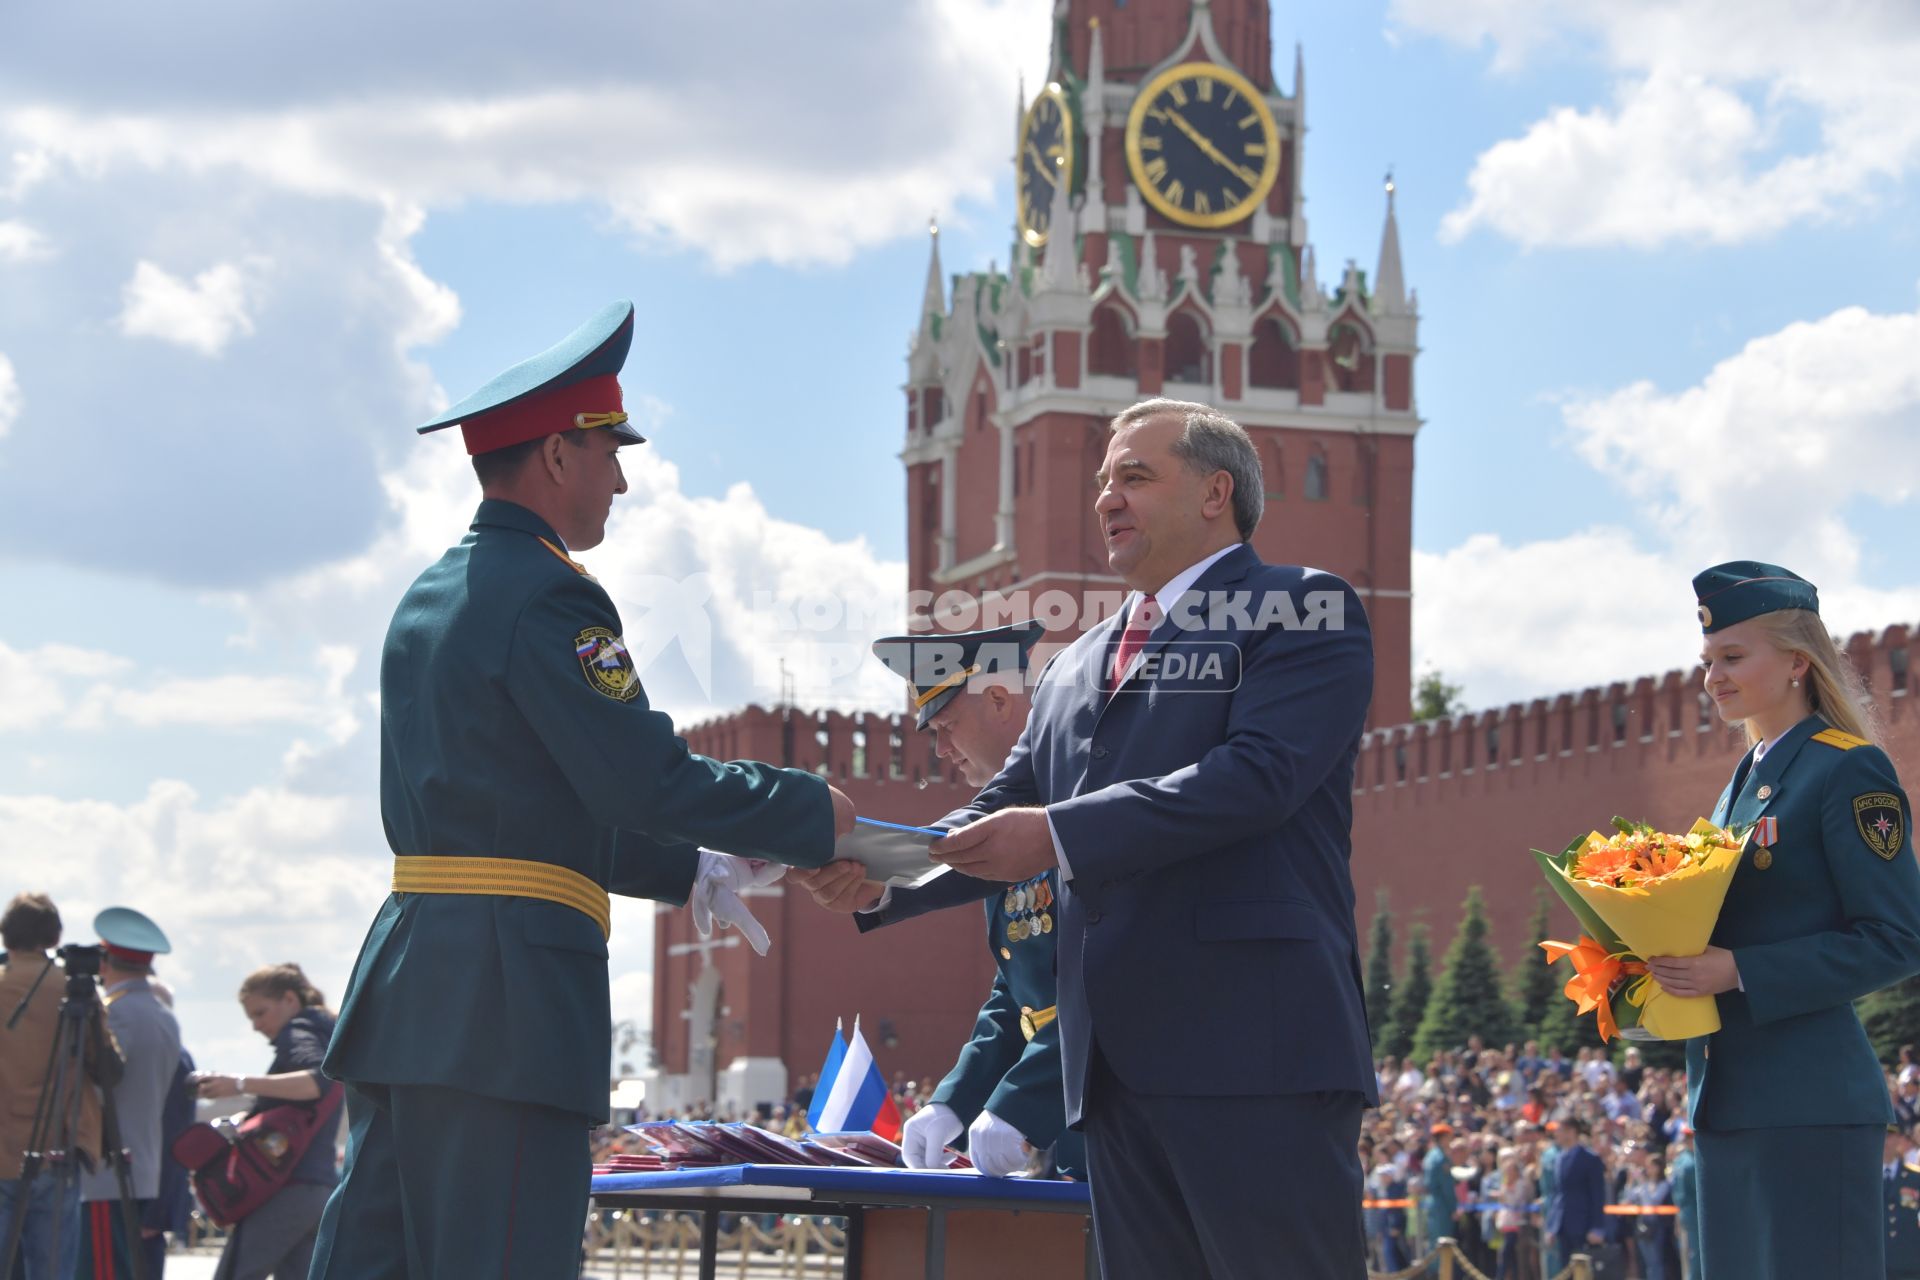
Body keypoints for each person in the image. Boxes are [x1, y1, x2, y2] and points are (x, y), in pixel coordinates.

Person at [309, 300, 855, 1278]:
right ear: (558, 456)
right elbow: (638, 775)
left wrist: (688, 865)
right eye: (610, 450)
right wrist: (811, 811)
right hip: (507, 1010)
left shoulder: (433, 593)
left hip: (410, 995)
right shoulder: (553, 592)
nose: (624, 478)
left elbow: (515, 802)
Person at [919, 398, 1377, 1278]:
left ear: (1216, 492)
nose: (1105, 499)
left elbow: (1255, 780)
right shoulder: (1076, 664)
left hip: (1255, 1058)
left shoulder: (1302, 608)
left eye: (1134, 476)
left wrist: (1054, 835)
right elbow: (1004, 802)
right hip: (1114, 1077)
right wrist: (869, 864)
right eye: (1102, 481)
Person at [1647, 561, 1920, 1279]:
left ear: (1799, 661)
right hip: (1730, 1099)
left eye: (1734, 657)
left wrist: (1737, 969)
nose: (1714, 677)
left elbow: (1897, 938)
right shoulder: (1741, 783)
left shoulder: (1847, 770)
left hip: (1808, 1103)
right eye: (1707, 661)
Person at [790, 620, 1087, 1179]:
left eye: (947, 725)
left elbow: (1107, 974)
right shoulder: (996, 826)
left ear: (999, 698)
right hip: (1061, 1139)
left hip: (1118, 1125)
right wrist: (953, 1099)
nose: (942, 750)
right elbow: (1017, 994)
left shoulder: (1078, 804)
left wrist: (1021, 1102)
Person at [192, 964, 339, 1280]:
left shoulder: (298, 1032)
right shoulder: (328, 1031)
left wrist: (240, 1084)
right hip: (318, 1187)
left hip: (287, 1186)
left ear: (289, 999)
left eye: (261, 1013)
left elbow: (316, 1082)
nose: (257, 1026)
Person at [0, 893, 106, 1279]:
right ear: (54, 936)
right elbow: (106, 1063)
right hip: (56, 1144)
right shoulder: (71, 988)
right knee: (53, 1269)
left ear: (6, 936)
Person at [80, 907, 182, 1280]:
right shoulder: (163, 1014)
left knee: (106, 1269)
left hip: (105, 1168)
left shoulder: (115, 1014)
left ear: (104, 961)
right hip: (141, 1163)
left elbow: (99, 1085)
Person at [1545, 1115, 1606, 1268]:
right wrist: (1552, 1226)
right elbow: (1558, 1194)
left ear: (1571, 1132)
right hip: (1563, 1224)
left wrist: (1596, 1227)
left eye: (1559, 1130)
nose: (1556, 1134)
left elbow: (1597, 1194)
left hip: (1583, 1224)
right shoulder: (1559, 1158)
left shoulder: (1590, 1159)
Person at [1886, 1126, 1920, 1280]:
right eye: (1883, 1135)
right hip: (1877, 1259)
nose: (1886, 1140)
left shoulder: (1915, 1178)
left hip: (1908, 1261)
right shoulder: (1866, 1178)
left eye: (1890, 1135)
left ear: (1899, 1138)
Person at [1668, 1127, 1702, 1280]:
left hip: (1685, 1212)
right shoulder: (1691, 1163)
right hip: (1693, 1212)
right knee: (1695, 1254)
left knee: (1689, 1253)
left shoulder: (1681, 1159)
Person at [1421, 1124, 1456, 1256]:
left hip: (1432, 1203)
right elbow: (1447, 1187)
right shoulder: (1442, 1159)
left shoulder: (1430, 1155)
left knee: (1433, 1242)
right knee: (1443, 1243)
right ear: (1442, 1138)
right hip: (1442, 1205)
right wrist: (1453, 1207)